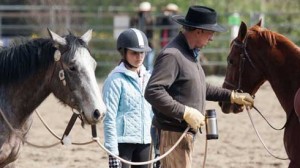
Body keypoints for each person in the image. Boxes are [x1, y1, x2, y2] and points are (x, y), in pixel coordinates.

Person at [145, 6, 254, 168]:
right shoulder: (173, 55)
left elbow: (200, 86)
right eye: (211, 32)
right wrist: (185, 112)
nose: (212, 38)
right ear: (198, 31)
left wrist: (231, 95)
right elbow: (153, 91)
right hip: (172, 134)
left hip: (180, 133)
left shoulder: (189, 53)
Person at [102, 28, 153, 168]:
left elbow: (153, 113)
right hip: (122, 143)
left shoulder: (149, 78)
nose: (139, 57)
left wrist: (157, 143)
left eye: (142, 52)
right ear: (123, 52)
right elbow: (109, 118)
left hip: (145, 141)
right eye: (134, 53)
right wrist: (112, 152)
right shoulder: (114, 80)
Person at [130, 1, 155, 71]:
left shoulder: (151, 19)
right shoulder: (136, 19)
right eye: (143, 11)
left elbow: (152, 31)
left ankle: (149, 80)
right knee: (140, 64)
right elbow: (131, 28)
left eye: (147, 11)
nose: (145, 13)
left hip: (149, 45)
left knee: (149, 64)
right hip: (138, 45)